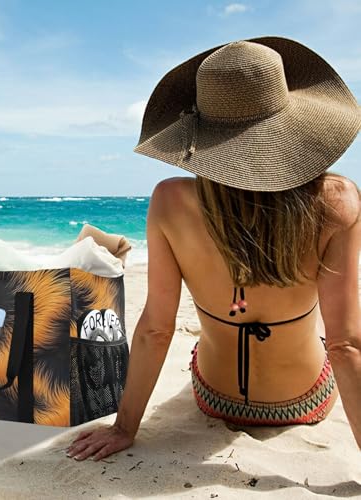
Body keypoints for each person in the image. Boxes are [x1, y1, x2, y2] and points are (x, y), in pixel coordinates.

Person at [65, 35, 361, 461]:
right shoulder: (337, 202)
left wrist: (124, 428)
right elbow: (346, 346)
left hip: (214, 398)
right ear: (293, 124)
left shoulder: (170, 201)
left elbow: (156, 330)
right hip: (303, 401)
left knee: (206, 343)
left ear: (200, 135)